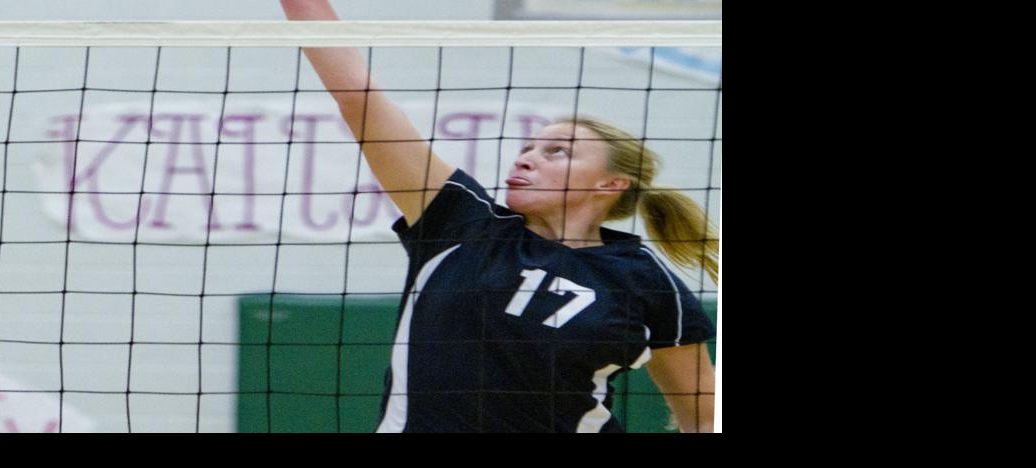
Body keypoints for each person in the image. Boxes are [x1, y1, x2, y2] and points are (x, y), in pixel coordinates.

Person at [280, 0, 719, 432]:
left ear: (610, 184)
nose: (526, 160)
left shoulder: (645, 280)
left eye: (557, 152)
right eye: (527, 148)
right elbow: (359, 97)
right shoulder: (460, 222)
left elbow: (703, 412)